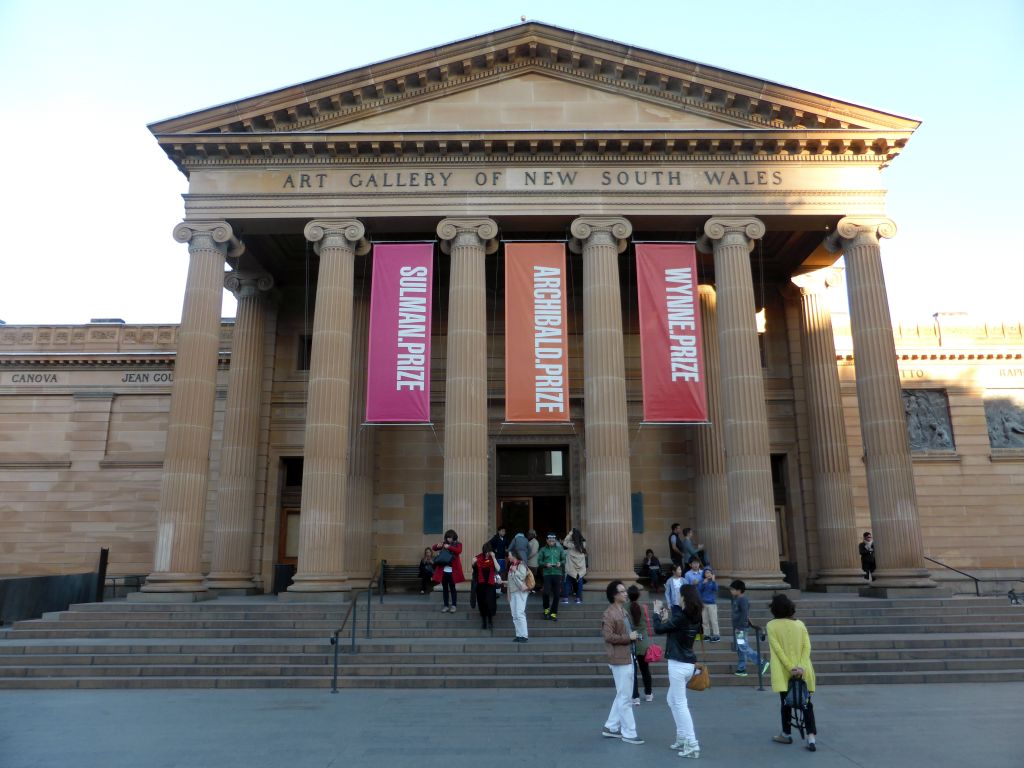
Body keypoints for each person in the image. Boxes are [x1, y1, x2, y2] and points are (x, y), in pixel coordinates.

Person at [652, 584, 703, 759]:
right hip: (687, 663)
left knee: (680, 703)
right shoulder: (694, 616)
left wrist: (656, 613)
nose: (678, 598)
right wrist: (666, 619)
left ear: (684, 598)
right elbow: (674, 629)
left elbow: (659, 629)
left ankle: (692, 743)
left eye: (680, 595)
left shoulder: (681, 616)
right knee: (672, 699)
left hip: (678, 664)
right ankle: (682, 737)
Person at [766, 594, 818, 752]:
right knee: (806, 703)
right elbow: (806, 647)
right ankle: (811, 737)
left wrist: (790, 667)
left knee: (786, 703)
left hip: (784, 671)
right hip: (804, 670)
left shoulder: (771, 625)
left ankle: (786, 733)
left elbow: (778, 650)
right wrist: (800, 666)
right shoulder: (800, 624)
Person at [601, 580, 644, 745]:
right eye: (622, 591)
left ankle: (611, 726)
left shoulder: (623, 611)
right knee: (625, 697)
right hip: (619, 659)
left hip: (627, 656)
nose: (626, 593)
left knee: (622, 695)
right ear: (614, 595)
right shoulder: (609, 613)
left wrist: (632, 636)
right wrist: (629, 637)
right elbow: (608, 637)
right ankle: (629, 732)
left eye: (625, 591)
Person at [730, 579, 768, 677]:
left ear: (739, 590)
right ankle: (741, 668)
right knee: (740, 648)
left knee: (743, 647)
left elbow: (745, 613)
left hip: (740, 628)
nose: (731, 591)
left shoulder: (742, 600)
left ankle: (761, 662)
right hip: (738, 627)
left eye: (733, 589)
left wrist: (741, 626)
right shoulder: (737, 599)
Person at [626, 585, 654, 704]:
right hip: (643, 642)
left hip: (630, 642)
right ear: (638, 595)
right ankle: (648, 693)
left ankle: (635, 696)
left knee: (633, 672)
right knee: (645, 670)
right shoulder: (644, 607)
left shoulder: (624, 608)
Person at [431, 529, 464, 613]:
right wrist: (438, 546)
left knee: (453, 588)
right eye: (448, 538)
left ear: (454, 537)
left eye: (451, 538)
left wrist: (449, 547)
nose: (449, 539)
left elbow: (459, 551)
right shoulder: (444, 544)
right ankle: (446, 605)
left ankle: (454, 605)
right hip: (444, 571)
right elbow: (433, 548)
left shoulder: (458, 544)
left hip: (453, 571)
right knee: (445, 588)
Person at [538, 532, 566, 621]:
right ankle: (546, 609)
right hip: (547, 574)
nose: (551, 541)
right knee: (546, 592)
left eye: (553, 540)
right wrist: (545, 564)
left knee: (557, 594)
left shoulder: (560, 549)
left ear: (555, 540)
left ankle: (554, 613)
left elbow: (564, 560)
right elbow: (539, 562)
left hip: (557, 573)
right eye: (550, 540)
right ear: (546, 540)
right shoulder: (543, 550)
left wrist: (560, 563)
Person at [473, 542, 501, 629]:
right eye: (485, 552)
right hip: (481, 585)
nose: (487, 554)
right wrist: (473, 563)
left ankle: (490, 620)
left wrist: (493, 557)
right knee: (482, 603)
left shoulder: (492, 559)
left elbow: (498, 568)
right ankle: (484, 621)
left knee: (490, 603)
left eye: (488, 552)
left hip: (490, 585)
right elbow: (474, 570)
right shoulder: (478, 558)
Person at [507, 552, 530, 642]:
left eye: (509, 555)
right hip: (513, 592)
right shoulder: (511, 565)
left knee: (520, 613)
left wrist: (515, 570)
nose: (508, 557)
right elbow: (510, 581)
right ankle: (519, 635)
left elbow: (522, 576)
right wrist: (508, 594)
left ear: (514, 555)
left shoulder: (521, 564)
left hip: (521, 592)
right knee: (515, 614)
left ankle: (524, 635)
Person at [562, 527, 587, 604]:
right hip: (580, 570)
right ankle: (578, 598)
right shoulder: (583, 545)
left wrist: (570, 533)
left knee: (568, 582)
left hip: (571, 569)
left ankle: (566, 598)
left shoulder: (571, 546)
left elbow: (564, 542)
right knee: (579, 583)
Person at [698, 567, 721, 641]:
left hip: (712, 603)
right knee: (704, 620)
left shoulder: (713, 582)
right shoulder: (702, 581)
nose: (707, 574)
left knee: (713, 620)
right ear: (704, 574)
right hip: (703, 603)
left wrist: (713, 581)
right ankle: (706, 634)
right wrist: (703, 584)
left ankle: (716, 634)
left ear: (711, 574)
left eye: (709, 572)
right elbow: (699, 590)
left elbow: (716, 589)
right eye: (706, 572)